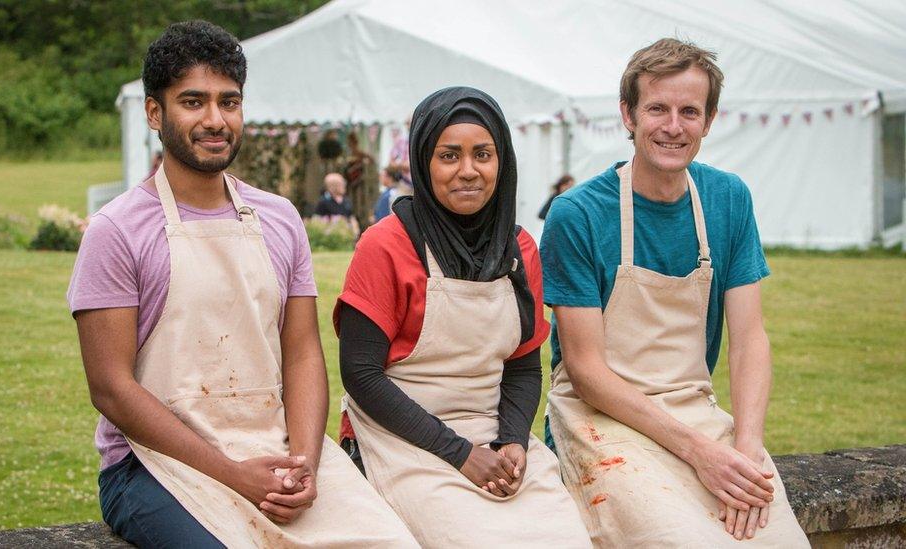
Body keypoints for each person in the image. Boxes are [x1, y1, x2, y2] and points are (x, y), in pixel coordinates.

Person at [67, 20, 416, 548]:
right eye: (193, 102)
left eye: (229, 102)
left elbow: (301, 354)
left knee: (392, 542)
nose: (215, 120)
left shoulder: (279, 219)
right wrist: (234, 476)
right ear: (154, 113)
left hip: (272, 447)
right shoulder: (118, 231)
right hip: (152, 468)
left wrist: (304, 465)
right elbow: (112, 389)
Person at [541, 38, 809, 547]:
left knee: (778, 540)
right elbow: (587, 372)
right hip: (599, 422)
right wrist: (698, 453)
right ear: (628, 115)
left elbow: (750, 338)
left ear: (709, 120)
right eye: (657, 108)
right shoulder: (577, 213)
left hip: (693, 408)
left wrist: (746, 448)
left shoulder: (728, 198)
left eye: (690, 111)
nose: (673, 126)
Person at [335, 86, 592, 548]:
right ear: (422, 163)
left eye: (483, 154)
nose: (468, 171)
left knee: (565, 537)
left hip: (492, 432)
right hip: (401, 436)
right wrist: (461, 456)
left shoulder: (519, 250)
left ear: (503, 162)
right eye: (449, 155)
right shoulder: (386, 245)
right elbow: (360, 373)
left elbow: (521, 363)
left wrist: (513, 441)